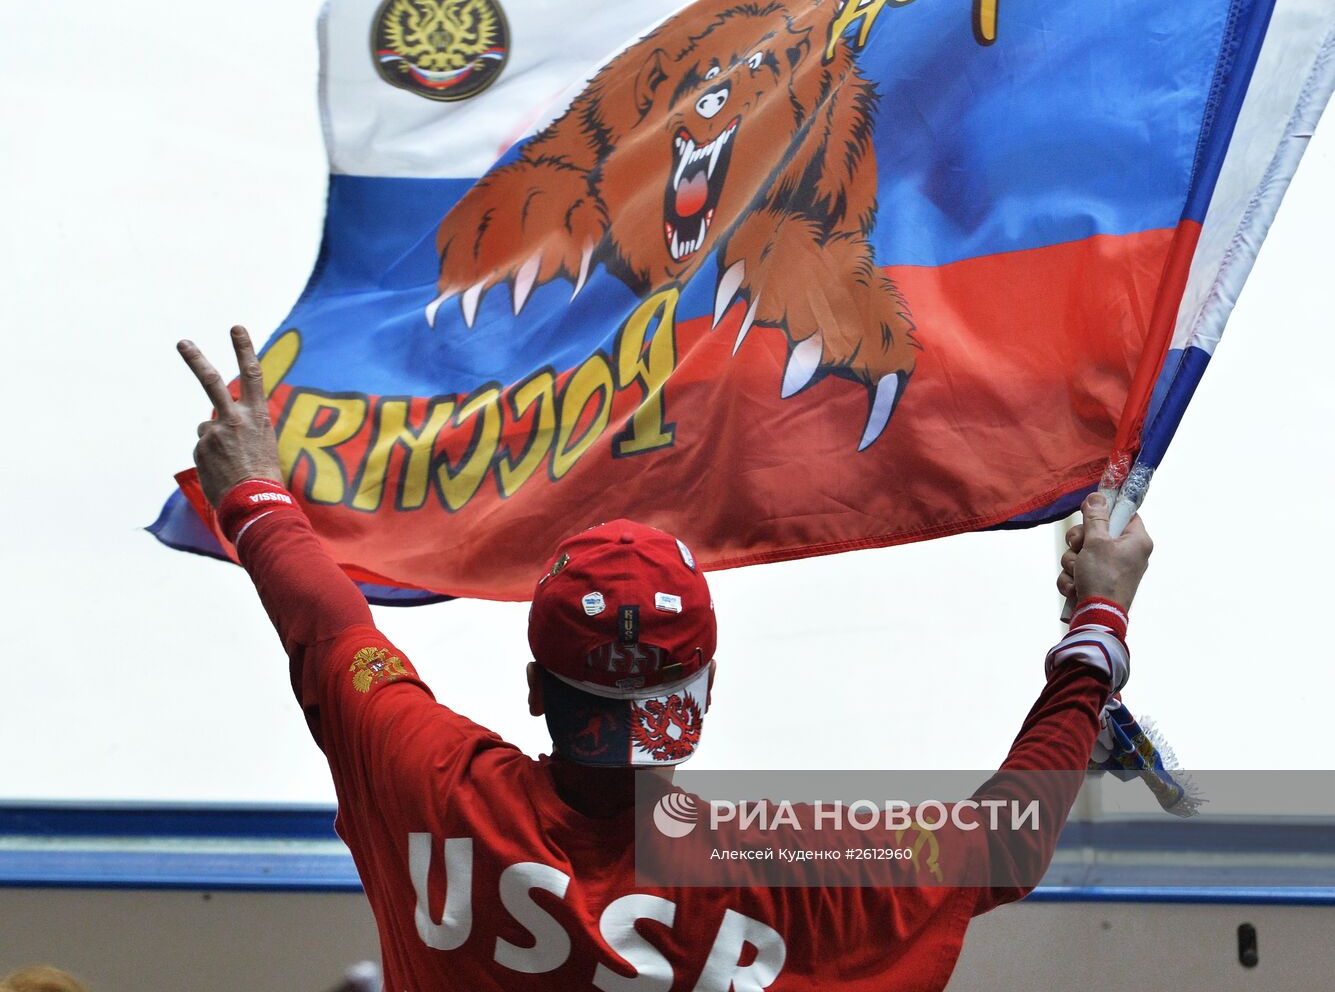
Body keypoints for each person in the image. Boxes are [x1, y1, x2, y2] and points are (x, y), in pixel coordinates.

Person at [178, 327, 1153, 991]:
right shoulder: (789, 869)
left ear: (535, 686)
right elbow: (1009, 840)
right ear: (705, 694)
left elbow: (331, 628)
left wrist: (257, 493)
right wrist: (1095, 624)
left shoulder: (428, 780)